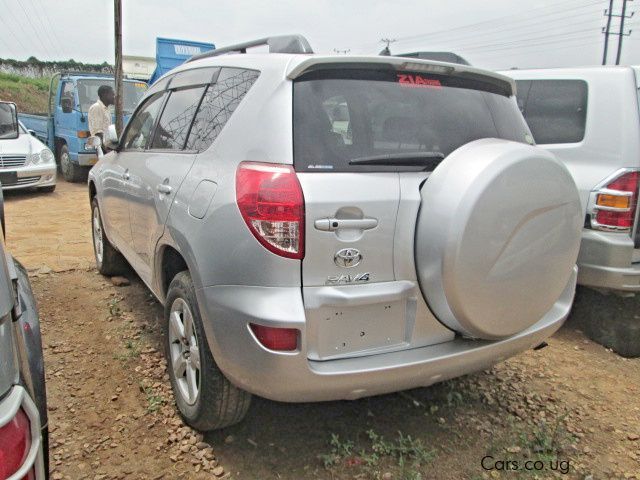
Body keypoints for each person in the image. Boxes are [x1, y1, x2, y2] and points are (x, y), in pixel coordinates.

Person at [88, 85, 115, 151]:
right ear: (105, 95)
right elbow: (98, 132)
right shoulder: (97, 107)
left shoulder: (106, 109)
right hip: (102, 147)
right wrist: (107, 149)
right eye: (112, 95)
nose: (114, 97)